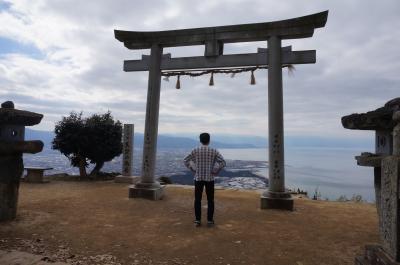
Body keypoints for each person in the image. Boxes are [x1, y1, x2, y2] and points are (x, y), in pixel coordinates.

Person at [183, 133, 226, 227]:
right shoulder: (214, 150)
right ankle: (210, 221)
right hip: (210, 178)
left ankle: (197, 221)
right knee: (210, 200)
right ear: (209, 140)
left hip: (198, 178)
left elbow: (185, 160)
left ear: (200, 140)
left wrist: (192, 169)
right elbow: (223, 162)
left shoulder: (195, 150)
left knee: (197, 199)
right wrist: (216, 171)